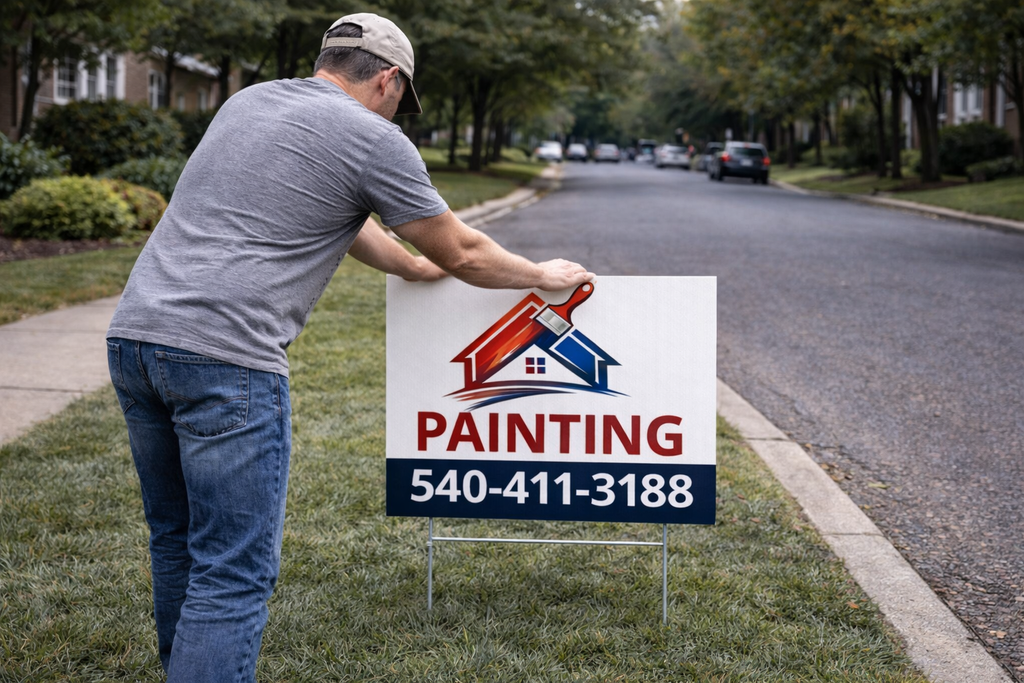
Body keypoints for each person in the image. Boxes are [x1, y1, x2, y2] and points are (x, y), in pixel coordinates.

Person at [105, 12, 592, 682]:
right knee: (233, 571)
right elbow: (466, 250)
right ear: (388, 79)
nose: (399, 114)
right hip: (228, 359)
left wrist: (410, 265)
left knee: (179, 542)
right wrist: (544, 277)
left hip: (136, 339)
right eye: (402, 100)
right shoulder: (370, 137)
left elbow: (342, 212)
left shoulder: (250, 103)